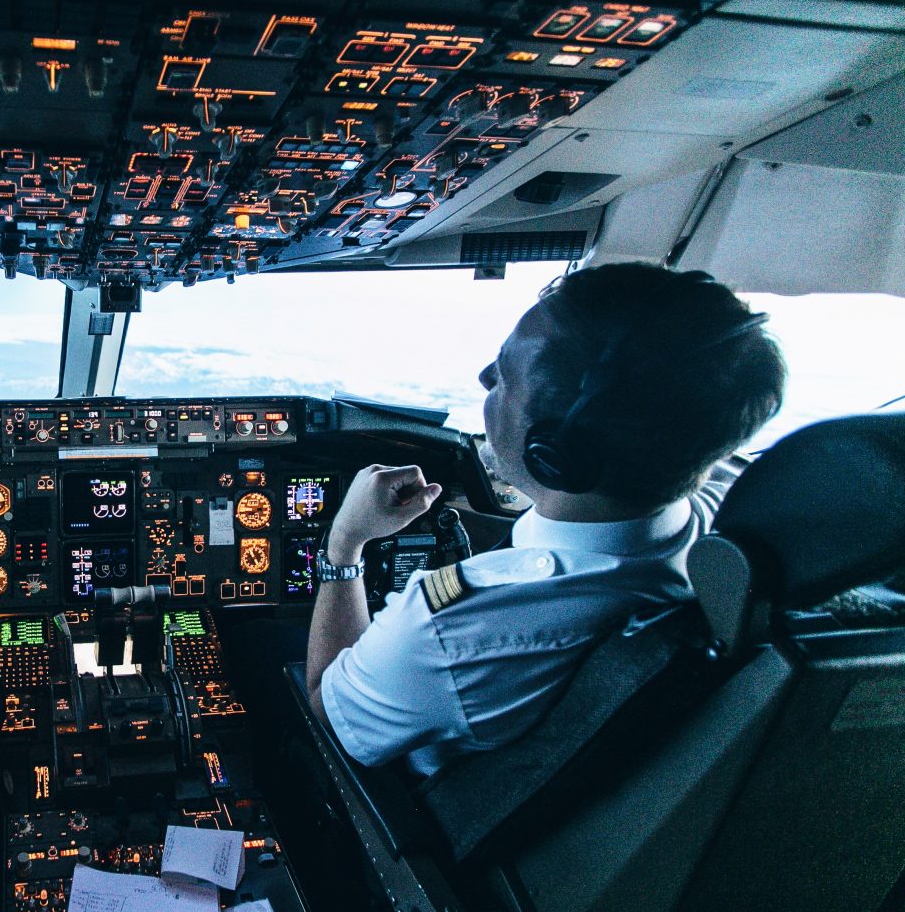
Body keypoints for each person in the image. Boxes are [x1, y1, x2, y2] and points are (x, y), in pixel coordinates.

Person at [306, 263, 786, 774]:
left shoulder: (449, 633)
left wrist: (346, 542)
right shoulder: (736, 533)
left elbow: (324, 709)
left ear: (555, 450)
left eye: (505, 374)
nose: (484, 377)